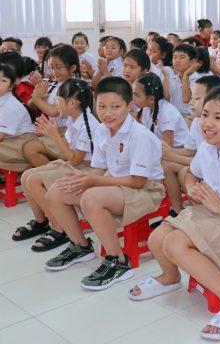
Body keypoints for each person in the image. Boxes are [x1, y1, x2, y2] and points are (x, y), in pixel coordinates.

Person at [130, 87, 220, 341]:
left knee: (174, 244)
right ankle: (170, 277)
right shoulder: (208, 147)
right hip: (214, 214)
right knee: (157, 237)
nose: (207, 123)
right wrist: (192, 188)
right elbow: (191, 173)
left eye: (218, 117)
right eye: (205, 115)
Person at [44, 77, 165, 290]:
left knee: (92, 198)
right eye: (101, 106)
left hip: (146, 190)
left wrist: (93, 181)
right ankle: (81, 246)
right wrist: (82, 179)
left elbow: (138, 181)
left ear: (129, 105)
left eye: (115, 107)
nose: (107, 113)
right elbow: (99, 168)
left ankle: (119, 261)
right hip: (114, 182)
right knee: (57, 191)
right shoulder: (102, 130)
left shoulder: (140, 135)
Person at [14, 79, 102, 252]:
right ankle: (41, 221)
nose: (55, 104)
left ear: (72, 103)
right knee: (27, 176)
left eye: (59, 100)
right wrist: (52, 134)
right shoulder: (74, 118)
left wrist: (54, 136)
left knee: (34, 180)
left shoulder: (89, 125)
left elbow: (75, 160)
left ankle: (59, 228)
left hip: (90, 170)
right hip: (76, 165)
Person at [161, 75, 220, 214]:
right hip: (201, 167)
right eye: (192, 97)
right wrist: (168, 151)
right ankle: (177, 210)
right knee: (167, 165)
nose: (190, 102)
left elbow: (206, 163)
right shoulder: (197, 122)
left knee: (184, 173)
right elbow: (191, 151)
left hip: (217, 175)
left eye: (196, 98)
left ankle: (201, 210)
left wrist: (172, 155)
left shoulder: (219, 129)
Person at [132, 73, 189, 148]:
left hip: (178, 150)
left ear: (151, 99)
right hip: (159, 148)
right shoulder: (147, 107)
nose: (133, 97)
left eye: (136, 95)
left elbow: (168, 147)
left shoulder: (167, 113)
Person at [0, 63, 36, 173]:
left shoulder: (10, 106)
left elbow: (0, 136)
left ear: (11, 86)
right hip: (9, 140)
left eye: (3, 81)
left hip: (20, 144)